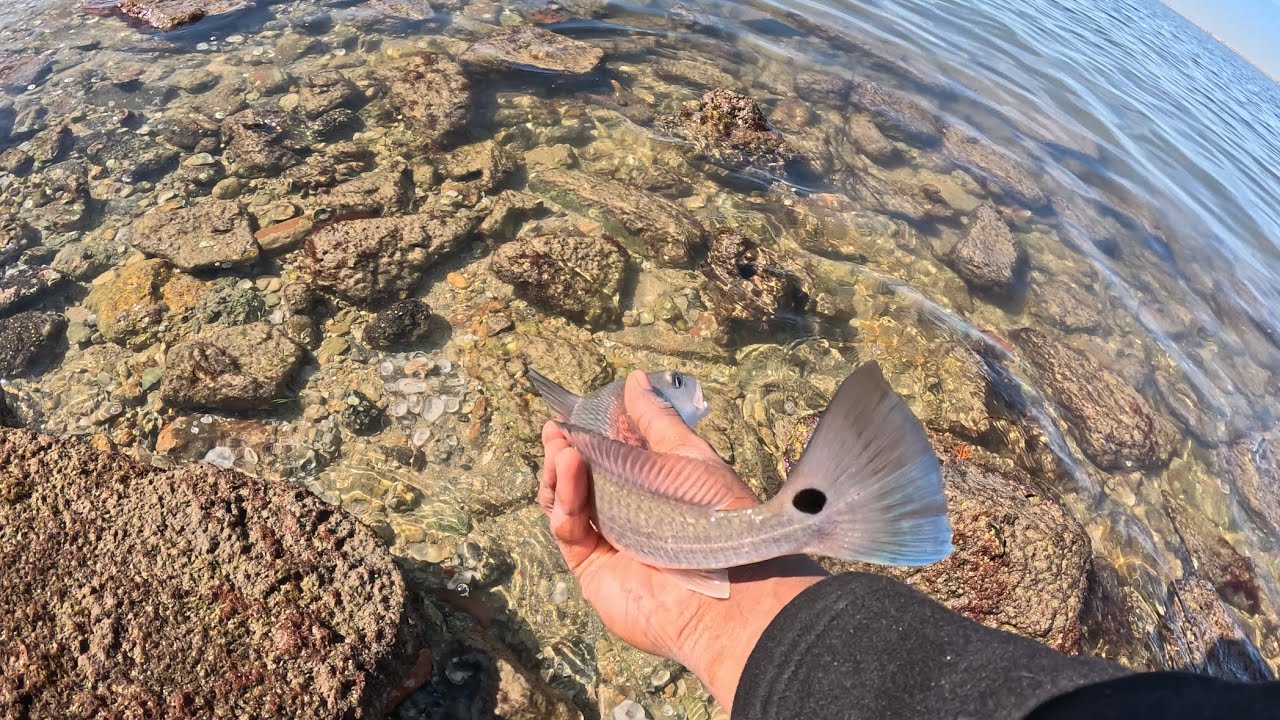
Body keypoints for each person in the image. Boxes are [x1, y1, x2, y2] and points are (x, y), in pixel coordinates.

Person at [538, 371, 1280, 719]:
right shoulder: (598, 414)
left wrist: (723, 623)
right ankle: (822, 511)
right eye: (673, 382)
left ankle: (821, 512)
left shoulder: (598, 416)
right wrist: (722, 620)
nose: (676, 387)